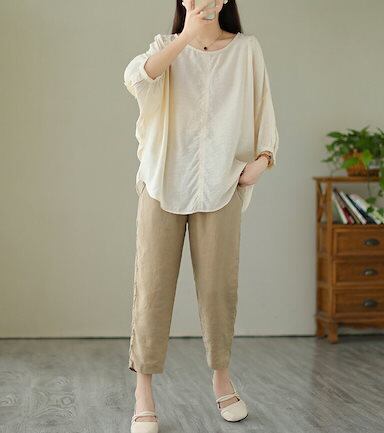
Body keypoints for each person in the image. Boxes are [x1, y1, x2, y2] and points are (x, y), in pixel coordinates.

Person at [123, 0, 279, 431]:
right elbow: (137, 78)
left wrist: (262, 160)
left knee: (218, 289)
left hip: (222, 184)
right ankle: (143, 392)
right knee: (152, 288)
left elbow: (264, 109)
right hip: (162, 182)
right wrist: (186, 38)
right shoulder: (165, 46)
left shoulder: (246, 50)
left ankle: (222, 379)